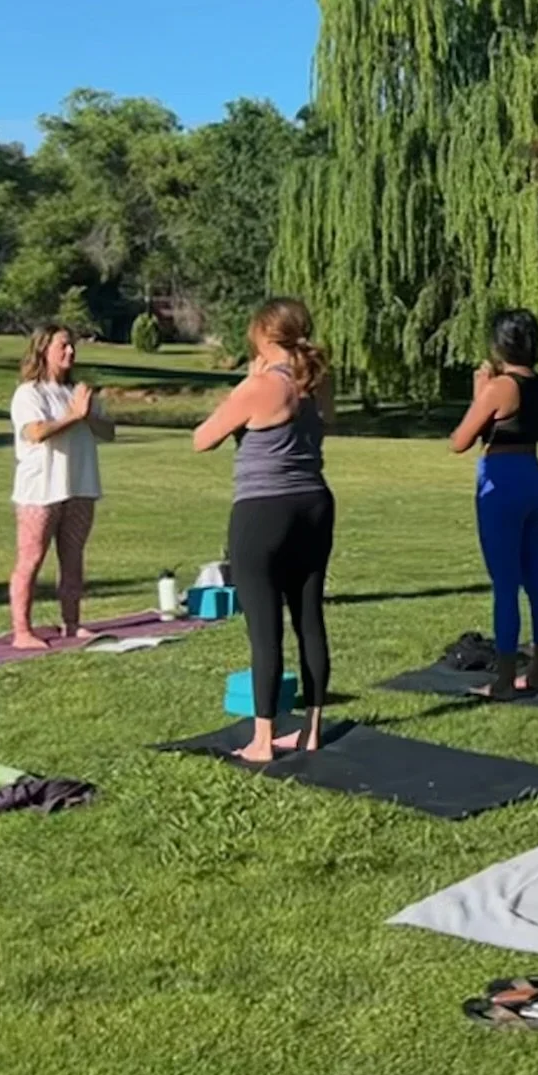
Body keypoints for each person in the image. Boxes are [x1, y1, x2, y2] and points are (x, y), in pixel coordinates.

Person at [191, 300, 336, 762]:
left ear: (263, 334)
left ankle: (262, 738)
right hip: (314, 504)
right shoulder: (316, 382)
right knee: (309, 620)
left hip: (263, 511)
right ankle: (311, 729)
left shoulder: (261, 386)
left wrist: (246, 382)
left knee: (264, 628)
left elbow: (202, 438)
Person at [449, 310, 538, 698]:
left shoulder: (500, 387)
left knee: (506, 585)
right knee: (537, 579)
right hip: (533, 474)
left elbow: (460, 440)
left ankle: (506, 679)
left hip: (502, 480)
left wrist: (480, 394)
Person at [7, 325, 114, 649]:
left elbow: (108, 431)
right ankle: (21, 632)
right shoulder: (29, 393)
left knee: (73, 557)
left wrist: (87, 413)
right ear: (43, 350)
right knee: (31, 557)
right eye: (63, 346)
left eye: (72, 347)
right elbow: (35, 432)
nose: (71, 352)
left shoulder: (77, 392)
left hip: (79, 485)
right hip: (40, 489)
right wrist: (73, 416)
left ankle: (72, 623)